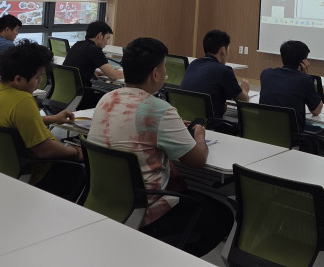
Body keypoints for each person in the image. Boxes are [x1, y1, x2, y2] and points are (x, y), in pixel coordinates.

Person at [88, 37, 234, 256]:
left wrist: (170, 125)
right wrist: (200, 136)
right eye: (164, 68)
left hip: (105, 198)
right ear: (156, 73)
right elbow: (197, 160)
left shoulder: (106, 99)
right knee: (222, 215)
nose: (165, 73)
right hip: (145, 209)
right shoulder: (159, 109)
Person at [0, 41, 85, 201]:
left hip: (3, 167)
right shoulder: (22, 100)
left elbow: (14, 122)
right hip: (38, 172)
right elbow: (45, 151)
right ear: (18, 79)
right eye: (37, 77)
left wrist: (52, 119)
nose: (40, 82)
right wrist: (76, 152)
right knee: (85, 169)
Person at [260, 40, 324, 154]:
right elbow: (317, 110)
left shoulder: (265, 74)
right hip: (291, 140)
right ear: (303, 62)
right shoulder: (304, 80)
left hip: (263, 135)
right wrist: (305, 75)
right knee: (319, 143)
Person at [179, 29, 249, 123]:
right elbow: (243, 101)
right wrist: (245, 89)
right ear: (223, 50)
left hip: (186, 123)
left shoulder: (193, 64)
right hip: (208, 126)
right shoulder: (224, 70)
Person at [62, 21, 123, 108]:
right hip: (82, 97)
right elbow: (113, 76)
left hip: (66, 94)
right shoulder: (95, 50)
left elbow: (77, 64)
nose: (107, 43)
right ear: (100, 35)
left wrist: (91, 70)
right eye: (107, 38)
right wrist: (129, 74)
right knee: (114, 98)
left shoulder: (77, 44)